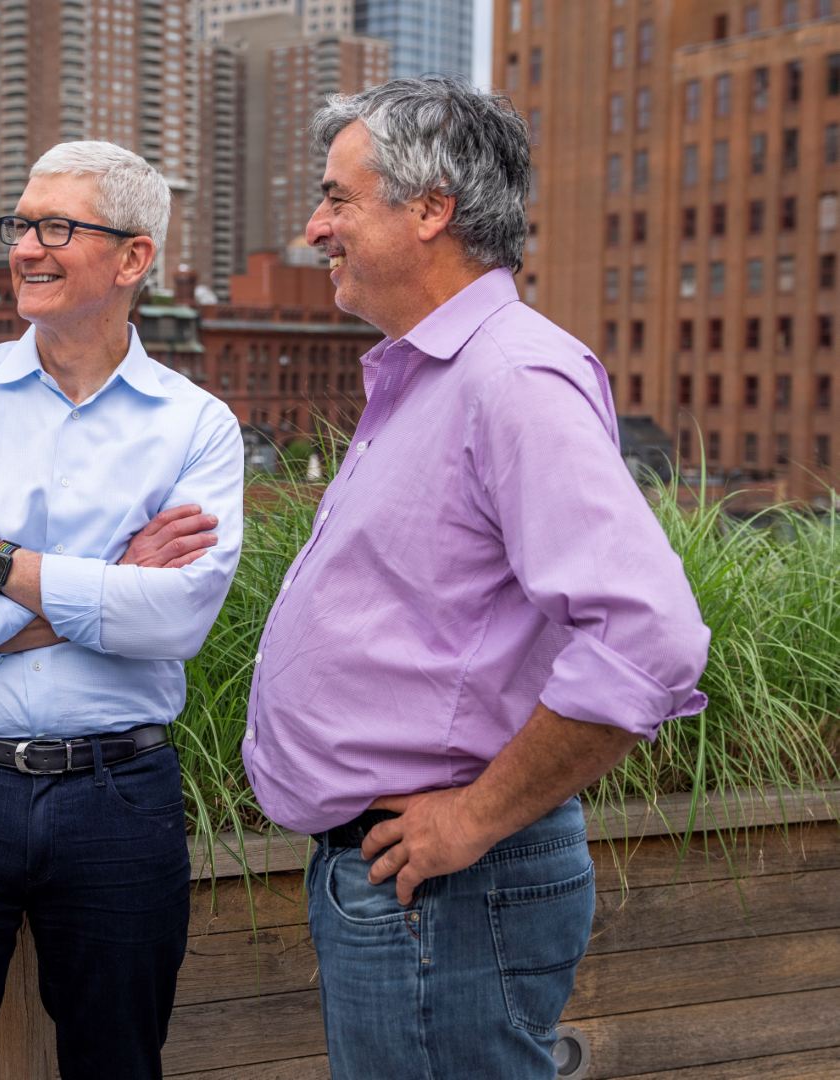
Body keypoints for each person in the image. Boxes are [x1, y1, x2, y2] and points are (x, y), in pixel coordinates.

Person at [243, 77, 711, 1079]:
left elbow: (649, 635)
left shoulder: (512, 378)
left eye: (338, 198)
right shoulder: (429, 374)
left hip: (451, 889)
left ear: (430, 208)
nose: (316, 226)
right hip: (407, 887)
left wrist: (476, 816)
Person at [0, 140, 245, 1080]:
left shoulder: (197, 425)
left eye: (56, 228)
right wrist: (104, 579)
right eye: (21, 225)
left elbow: (175, 622)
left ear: (133, 258)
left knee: (120, 1064)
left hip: (119, 796)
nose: (26, 247)